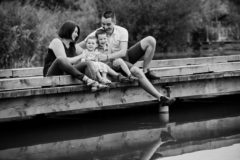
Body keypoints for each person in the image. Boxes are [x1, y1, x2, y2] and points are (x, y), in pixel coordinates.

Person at [78, 10, 175, 105]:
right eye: (103, 24)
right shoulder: (97, 33)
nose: (105, 27)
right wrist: (86, 54)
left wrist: (107, 56)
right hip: (111, 64)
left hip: (123, 57)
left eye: (108, 24)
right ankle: (160, 97)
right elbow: (79, 46)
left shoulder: (122, 31)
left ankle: (146, 70)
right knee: (136, 71)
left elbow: (123, 52)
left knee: (151, 40)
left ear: (114, 22)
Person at [43, 21, 107, 91]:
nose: (77, 35)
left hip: (66, 73)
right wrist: (81, 56)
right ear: (68, 31)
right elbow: (65, 60)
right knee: (60, 59)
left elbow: (88, 53)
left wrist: (99, 49)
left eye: (77, 32)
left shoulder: (73, 46)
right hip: (51, 75)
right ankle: (86, 79)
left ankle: (95, 84)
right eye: (75, 32)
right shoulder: (56, 42)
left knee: (87, 63)